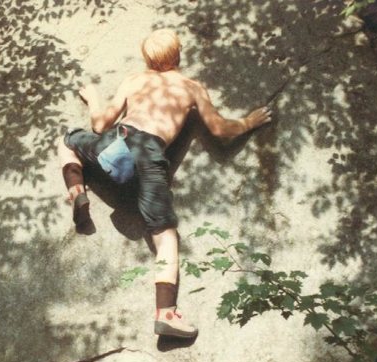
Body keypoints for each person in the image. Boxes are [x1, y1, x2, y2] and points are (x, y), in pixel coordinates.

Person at [58, 28, 272, 339]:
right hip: (150, 155)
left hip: (116, 143)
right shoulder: (191, 88)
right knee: (165, 236)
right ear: (178, 55)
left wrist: (93, 98)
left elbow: (100, 124)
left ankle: (77, 189)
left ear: (147, 60)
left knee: (67, 141)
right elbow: (221, 130)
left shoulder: (134, 80)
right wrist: (250, 122)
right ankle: (166, 314)